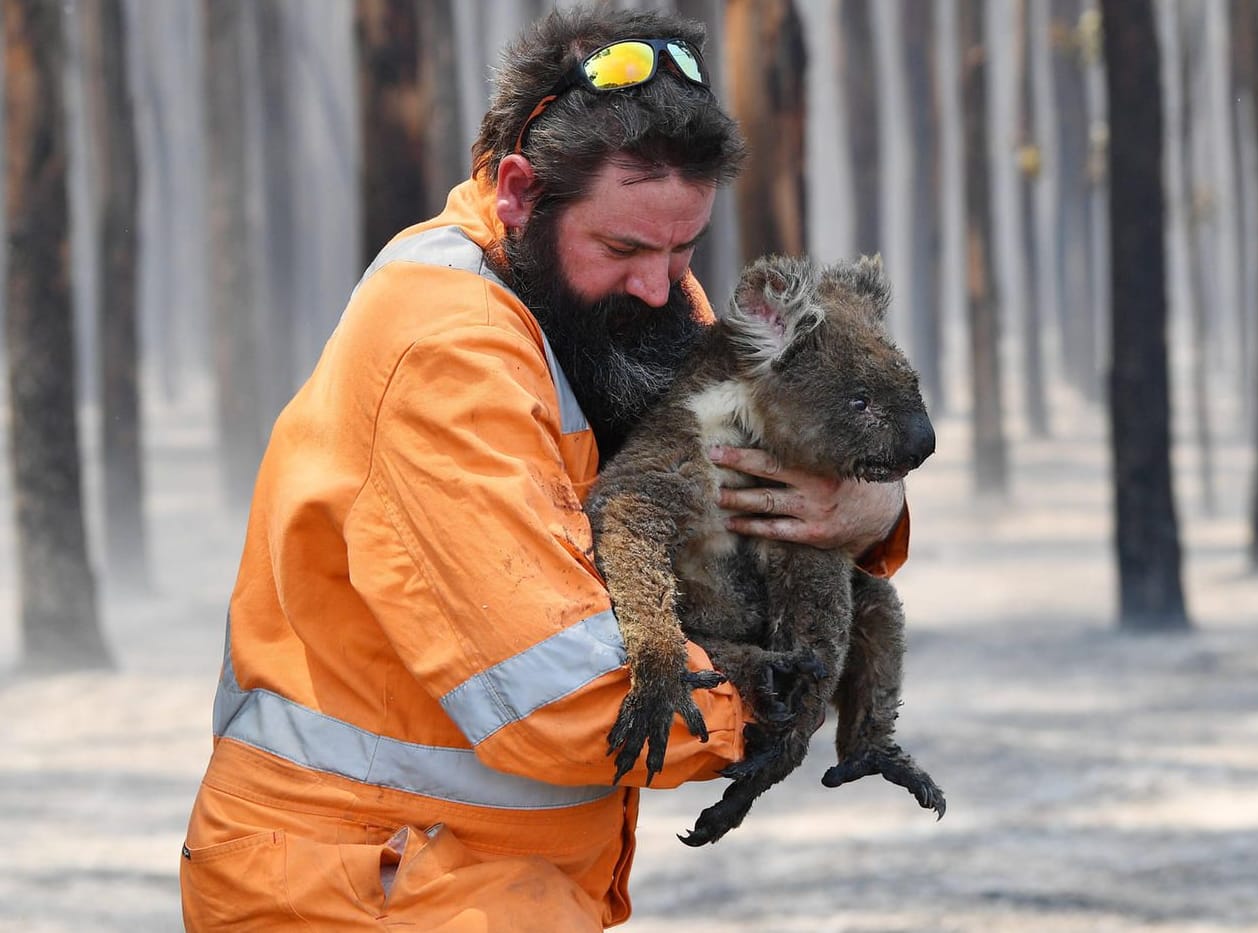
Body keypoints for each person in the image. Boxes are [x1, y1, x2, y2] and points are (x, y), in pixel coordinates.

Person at [178, 8, 909, 930]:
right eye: (626, 248)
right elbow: (560, 695)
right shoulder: (446, 351)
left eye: (686, 248)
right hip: (361, 885)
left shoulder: (615, 301)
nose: (665, 283)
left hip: (475, 875)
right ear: (519, 192)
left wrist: (870, 509)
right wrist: (783, 698)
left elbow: (763, 473)